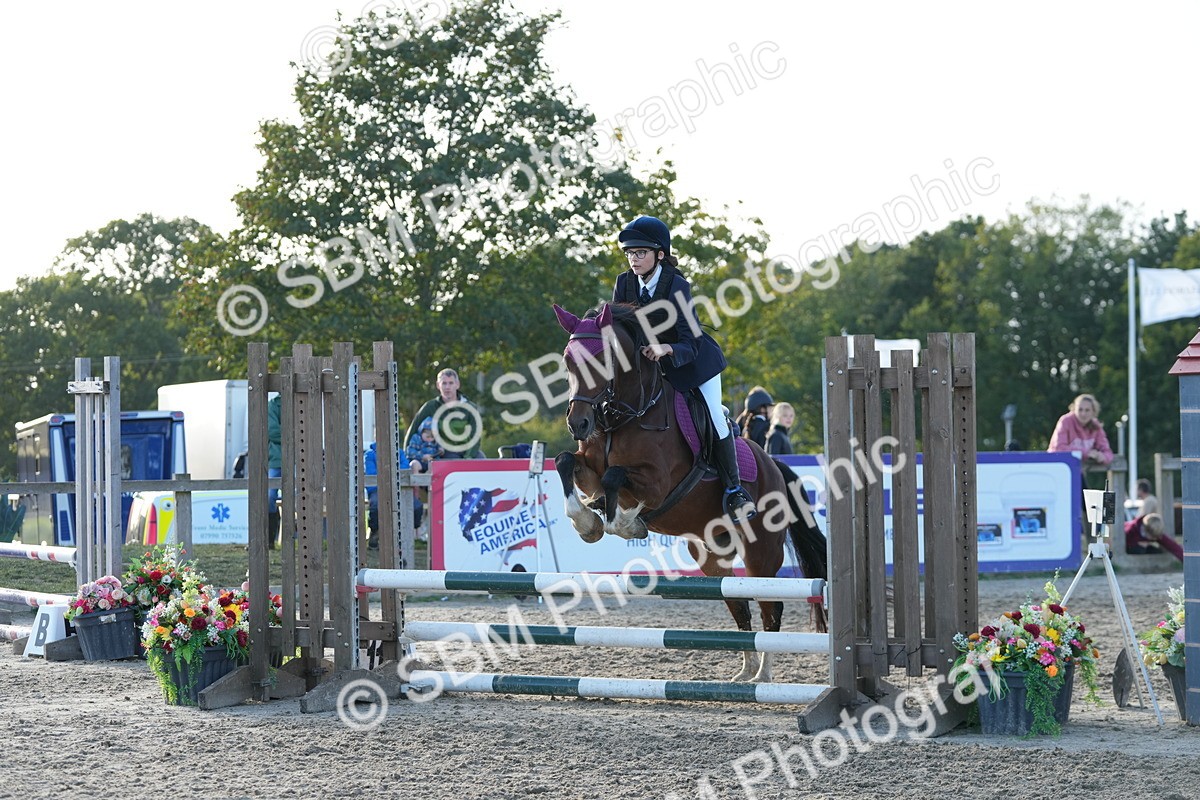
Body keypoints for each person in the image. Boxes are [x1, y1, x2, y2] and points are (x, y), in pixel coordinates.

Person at [612, 215, 756, 522]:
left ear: (659, 254)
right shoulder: (624, 283)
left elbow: (690, 341)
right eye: (629, 253)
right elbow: (616, 329)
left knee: (715, 414)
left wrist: (666, 349)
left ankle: (734, 490)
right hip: (648, 368)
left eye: (640, 253)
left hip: (692, 363)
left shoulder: (677, 285)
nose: (633, 259)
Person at [404, 368, 485, 459]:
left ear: (457, 385)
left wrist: (468, 458)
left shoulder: (470, 408)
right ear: (438, 385)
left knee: (482, 460)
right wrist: (406, 459)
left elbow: (476, 437)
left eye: (451, 383)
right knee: (452, 461)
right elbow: (413, 431)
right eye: (444, 383)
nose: (447, 387)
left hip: (467, 451)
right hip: (443, 452)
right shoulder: (430, 407)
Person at [1046, 393, 1113, 487]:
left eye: (1087, 410)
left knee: (1084, 498)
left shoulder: (1096, 426)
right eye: (1080, 409)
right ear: (1074, 410)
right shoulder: (1066, 421)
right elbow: (1059, 448)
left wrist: (1101, 456)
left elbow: (1108, 452)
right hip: (1056, 470)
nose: (1083, 414)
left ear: (1093, 412)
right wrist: (1086, 453)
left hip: (1077, 472)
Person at [265, 394, 282, 549]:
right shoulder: (273, 405)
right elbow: (272, 431)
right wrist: (295, 434)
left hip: (297, 458)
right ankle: (269, 539)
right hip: (276, 460)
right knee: (269, 496)